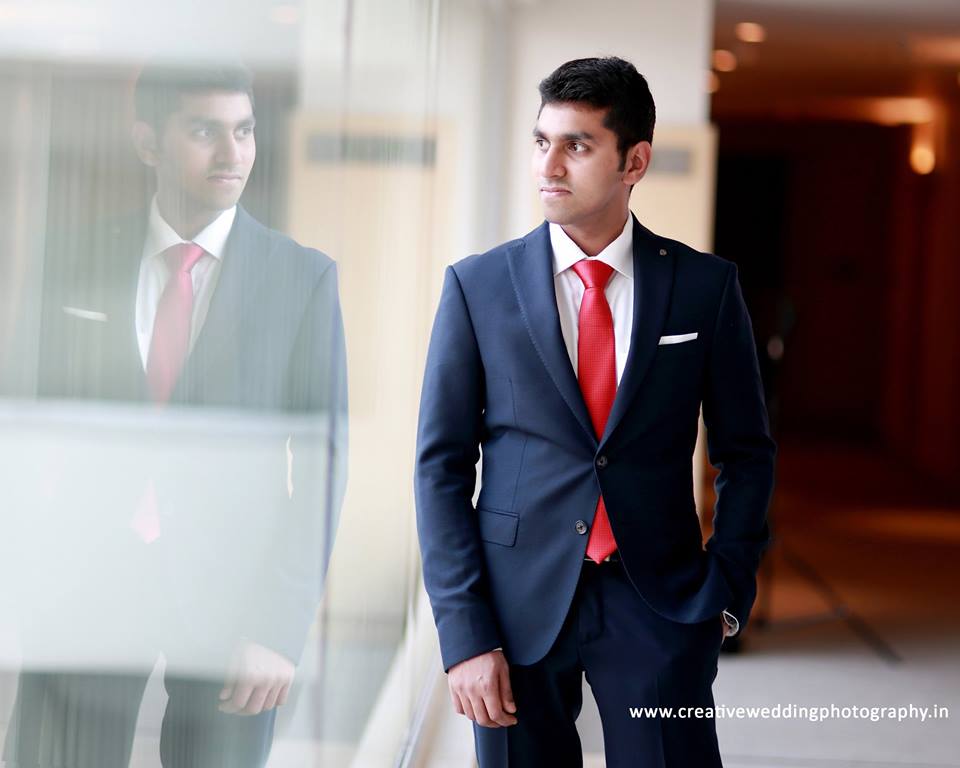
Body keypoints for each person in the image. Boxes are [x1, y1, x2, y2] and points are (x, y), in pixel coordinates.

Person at [415, 56, 775, 767]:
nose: (550, 164)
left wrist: (725, 591)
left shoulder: (705, 287)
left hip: (661, 601)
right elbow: (441, 469)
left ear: (633, 160)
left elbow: (747, 451)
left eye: (577, 145)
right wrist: (464, 635)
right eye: (541, 141)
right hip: (515, 613)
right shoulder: (476, 286)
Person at [4, 61, 347, 767]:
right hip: (82, 596)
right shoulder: (72, 257)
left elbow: (322, 465)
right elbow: (22, 426)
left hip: (232, 606)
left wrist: (279, 628)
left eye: (245, 131)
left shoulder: (301, 278)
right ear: (148, 142)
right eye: (204, 131)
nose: (233, 154)